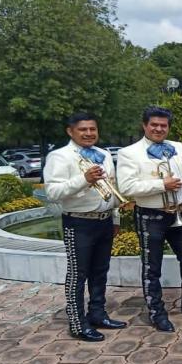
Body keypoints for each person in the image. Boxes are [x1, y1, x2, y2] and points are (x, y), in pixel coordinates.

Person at [116, 106, 182, 333]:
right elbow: (126, 187)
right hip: (151, 215)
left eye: (163, 125)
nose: (159, 129)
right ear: (144, 125)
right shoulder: (129, 153)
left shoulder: (178, 147)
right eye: (154, 124)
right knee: (152, 267)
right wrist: (162, 185)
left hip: (178, 213)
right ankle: (157, 312)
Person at [44, 112, 127, 342]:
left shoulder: (104, 154)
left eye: (93, 129)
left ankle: (97, 314)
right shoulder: (59, 156)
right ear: (70, 131)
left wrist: (116, 217)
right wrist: (84, 179)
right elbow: (52, 193)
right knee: (78, 275)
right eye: (83, 129)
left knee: (100, 272)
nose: (89, 133)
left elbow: (111, 187)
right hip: (78, 222)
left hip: (104, 219)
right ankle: (78, 323)